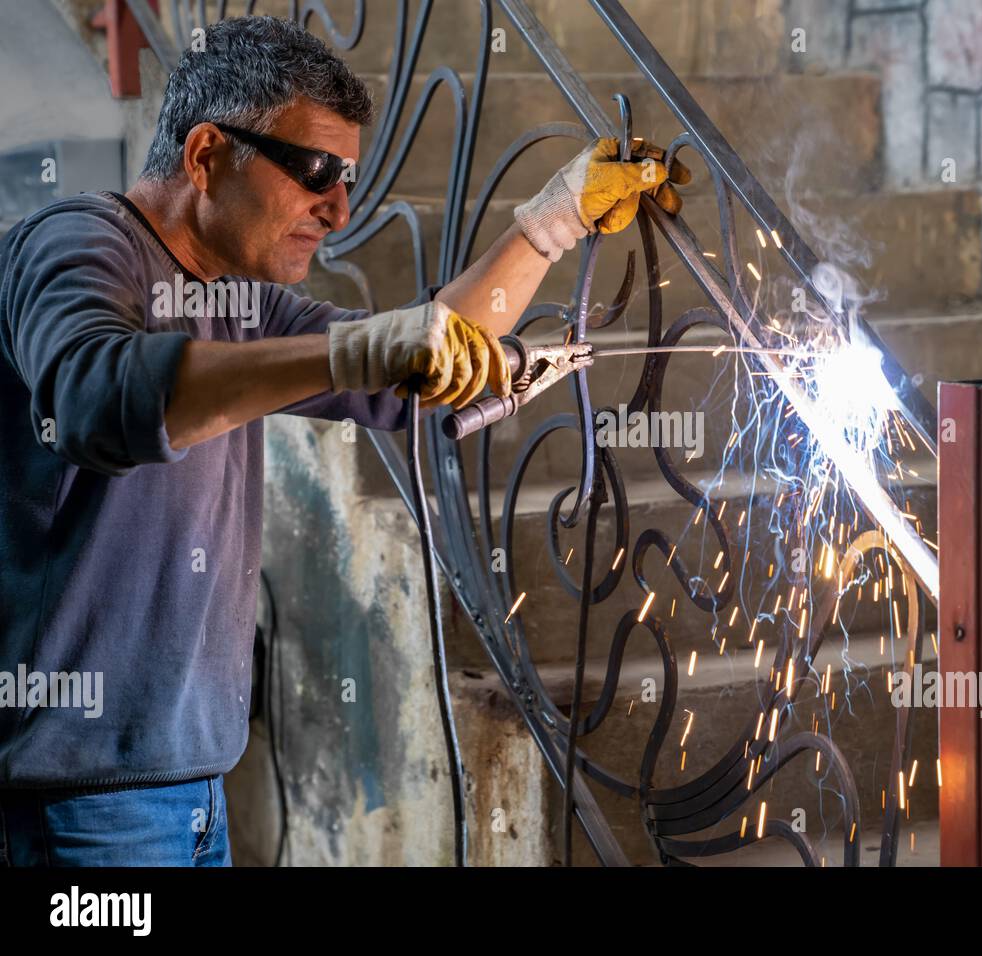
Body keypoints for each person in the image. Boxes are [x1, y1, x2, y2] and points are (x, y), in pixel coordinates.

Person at [0, 15, 688, 866]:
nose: (339, 208)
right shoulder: (77, 243)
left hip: (193, 792)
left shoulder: (237, 298)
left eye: (349, 175)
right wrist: (357, 351)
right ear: (207, 154)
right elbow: (97, 396)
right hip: (76, 809)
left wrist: (551, 222)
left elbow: (417, 361)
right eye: (316, 171)